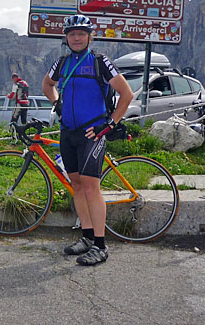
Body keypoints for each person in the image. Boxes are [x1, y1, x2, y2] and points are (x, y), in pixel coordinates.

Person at [42, 14, 133, 266]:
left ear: (90, 36)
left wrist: (110, 123)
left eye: (81, 33)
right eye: (72, 34)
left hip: (93, 133)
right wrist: (57, 104)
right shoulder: (62, 63)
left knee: (92, 187)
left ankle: (101, 246)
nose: (77, 38)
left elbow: (126, 94)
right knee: (77, 185)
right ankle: (87, 237)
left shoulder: (100, 62)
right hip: (68, 132)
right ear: (66, 38)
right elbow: (47, 85)